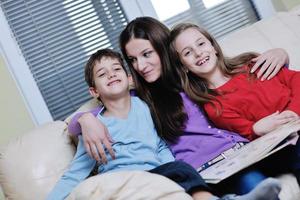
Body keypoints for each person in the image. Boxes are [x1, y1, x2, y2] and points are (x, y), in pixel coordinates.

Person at [68, 17, 289, 194]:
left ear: (164, 49)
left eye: (146, 54)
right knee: (254, 183)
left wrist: (280, 54)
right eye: (133, 60)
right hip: (209, 170)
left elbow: (239, 76)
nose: (141, 66)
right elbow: (83, 121)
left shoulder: (196, 72)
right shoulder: (139, 96)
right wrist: (86, 120)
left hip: (249, 151)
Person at [168, 22, 300, 186]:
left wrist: (294, 112)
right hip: (282, 145)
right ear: (183, 66)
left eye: (201, 43)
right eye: (188, 52)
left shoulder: (251, 64)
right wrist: (255, 129)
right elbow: (246, 135)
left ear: (213, 46)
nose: (198, 53)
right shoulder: (214, 105)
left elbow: (296, 80)